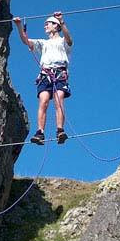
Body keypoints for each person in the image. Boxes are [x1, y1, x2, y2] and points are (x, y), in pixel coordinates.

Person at [13, 12, 73, 146]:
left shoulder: (63, 42)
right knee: (44, 101)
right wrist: (18, 26)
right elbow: (26, 41)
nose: (45, 25)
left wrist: (61, 21)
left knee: (59, 100)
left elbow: (69, 39)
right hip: (46, 74)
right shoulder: (43, 43)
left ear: (56, 27)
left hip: (59, 73)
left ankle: (60, 130)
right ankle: (39, 132)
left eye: (48, 23)